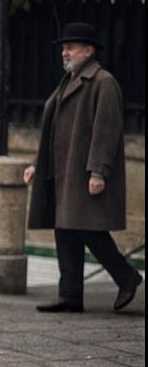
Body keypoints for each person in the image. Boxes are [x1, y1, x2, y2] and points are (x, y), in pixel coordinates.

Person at [25, 22, 143, 312]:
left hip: (83, 172)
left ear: (88, 50)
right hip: (63, 172)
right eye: (64, 47)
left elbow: (107, 131)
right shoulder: (70, 79)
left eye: (71, 46)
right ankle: (70, 295)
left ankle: (126, 276)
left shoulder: (102, 82)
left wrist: (99, 171)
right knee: (65, 231)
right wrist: (37, 167)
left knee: (89, 230)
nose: (64, 51)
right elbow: (53, 131)